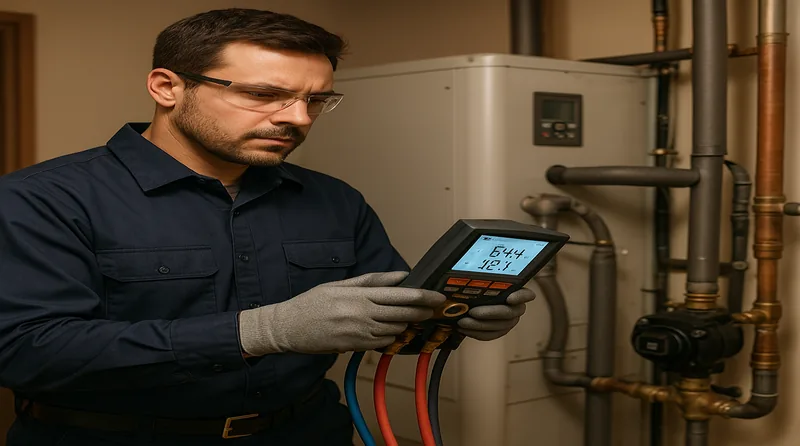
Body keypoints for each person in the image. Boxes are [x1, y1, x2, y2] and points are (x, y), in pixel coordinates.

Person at [0, 8, 536, 446]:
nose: (298, 118)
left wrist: (456, 314)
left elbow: (391, 318)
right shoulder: (43, 198)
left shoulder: (332, 199)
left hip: (307, 432)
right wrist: (261, 331)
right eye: (262, 95)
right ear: (167, 87)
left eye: (316, 100)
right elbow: (28, 352)